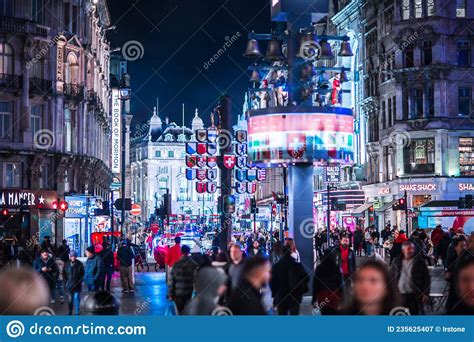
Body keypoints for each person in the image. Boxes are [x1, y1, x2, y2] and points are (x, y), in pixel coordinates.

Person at [392, 240, 431, 315]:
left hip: (415, 295)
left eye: (412, 248)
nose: (411, 251)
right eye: (408, 249)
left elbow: (427, 278)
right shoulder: (397, 262)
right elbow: (391, 277)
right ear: (403, 250)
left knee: (415, 314)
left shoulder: (419, 262)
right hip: (400, 295)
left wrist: (426, 293)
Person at [270, 245, 309, 315]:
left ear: (281, 253)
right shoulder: (296, 265)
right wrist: (301, 290)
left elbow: (272, 281)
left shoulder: (277, 266)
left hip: (281, 296)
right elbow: (306, 277)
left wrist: (274, 295)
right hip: (295, 296)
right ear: (291, 252)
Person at [312, 249, 344, 315]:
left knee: (325, 313)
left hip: (322, 295)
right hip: (334, 295)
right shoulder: (336, 268)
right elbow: (340, 284)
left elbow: (316, 284)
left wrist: (314, 298)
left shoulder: (319, 268)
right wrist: (342, 297)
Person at [169, 245, 197, 314]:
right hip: (189, 292)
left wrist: (171, 293)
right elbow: (196, 279)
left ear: (181, 252)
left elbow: (173, 281)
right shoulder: (193, 264)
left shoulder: (176, 264)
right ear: (189, 252)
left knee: (180, 312)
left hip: (178, 293)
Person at [445, 236, 468, 311]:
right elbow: (448, 275)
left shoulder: (469, 259)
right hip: (454, 289)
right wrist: (448, 274)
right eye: (461, 246)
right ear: (455, 247)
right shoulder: (452, 259)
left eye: (465, 245)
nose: (464, 248)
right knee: (450, 307)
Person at [63, 250, 84, 315]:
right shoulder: (66, 264)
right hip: (69, 285)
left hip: (77, 285)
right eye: (72, 256)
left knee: (76, 298)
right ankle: (70, 311)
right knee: (70, 299)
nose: (73, 257)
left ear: (76, 256)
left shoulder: (79, 264)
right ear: (70, 256)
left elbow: (82, 274)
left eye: (74, 256)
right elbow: (64, 274)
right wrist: (65, 283)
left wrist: (79, 281)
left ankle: (77, 311)